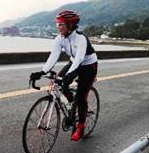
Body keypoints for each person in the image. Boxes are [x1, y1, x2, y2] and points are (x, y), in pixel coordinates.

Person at [30, 10, 98, 141]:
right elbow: (53, 56)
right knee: (57, 83)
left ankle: (81, 126)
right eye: (58, 24)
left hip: (88, 65)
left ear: (70, 25)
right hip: (73, 62)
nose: (58, 27)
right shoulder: (59, 38)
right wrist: (42, 72)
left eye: (61, 24)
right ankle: (71, 102)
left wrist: (69, 75)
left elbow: (79, 59)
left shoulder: (81, 39)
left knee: (81, 96)